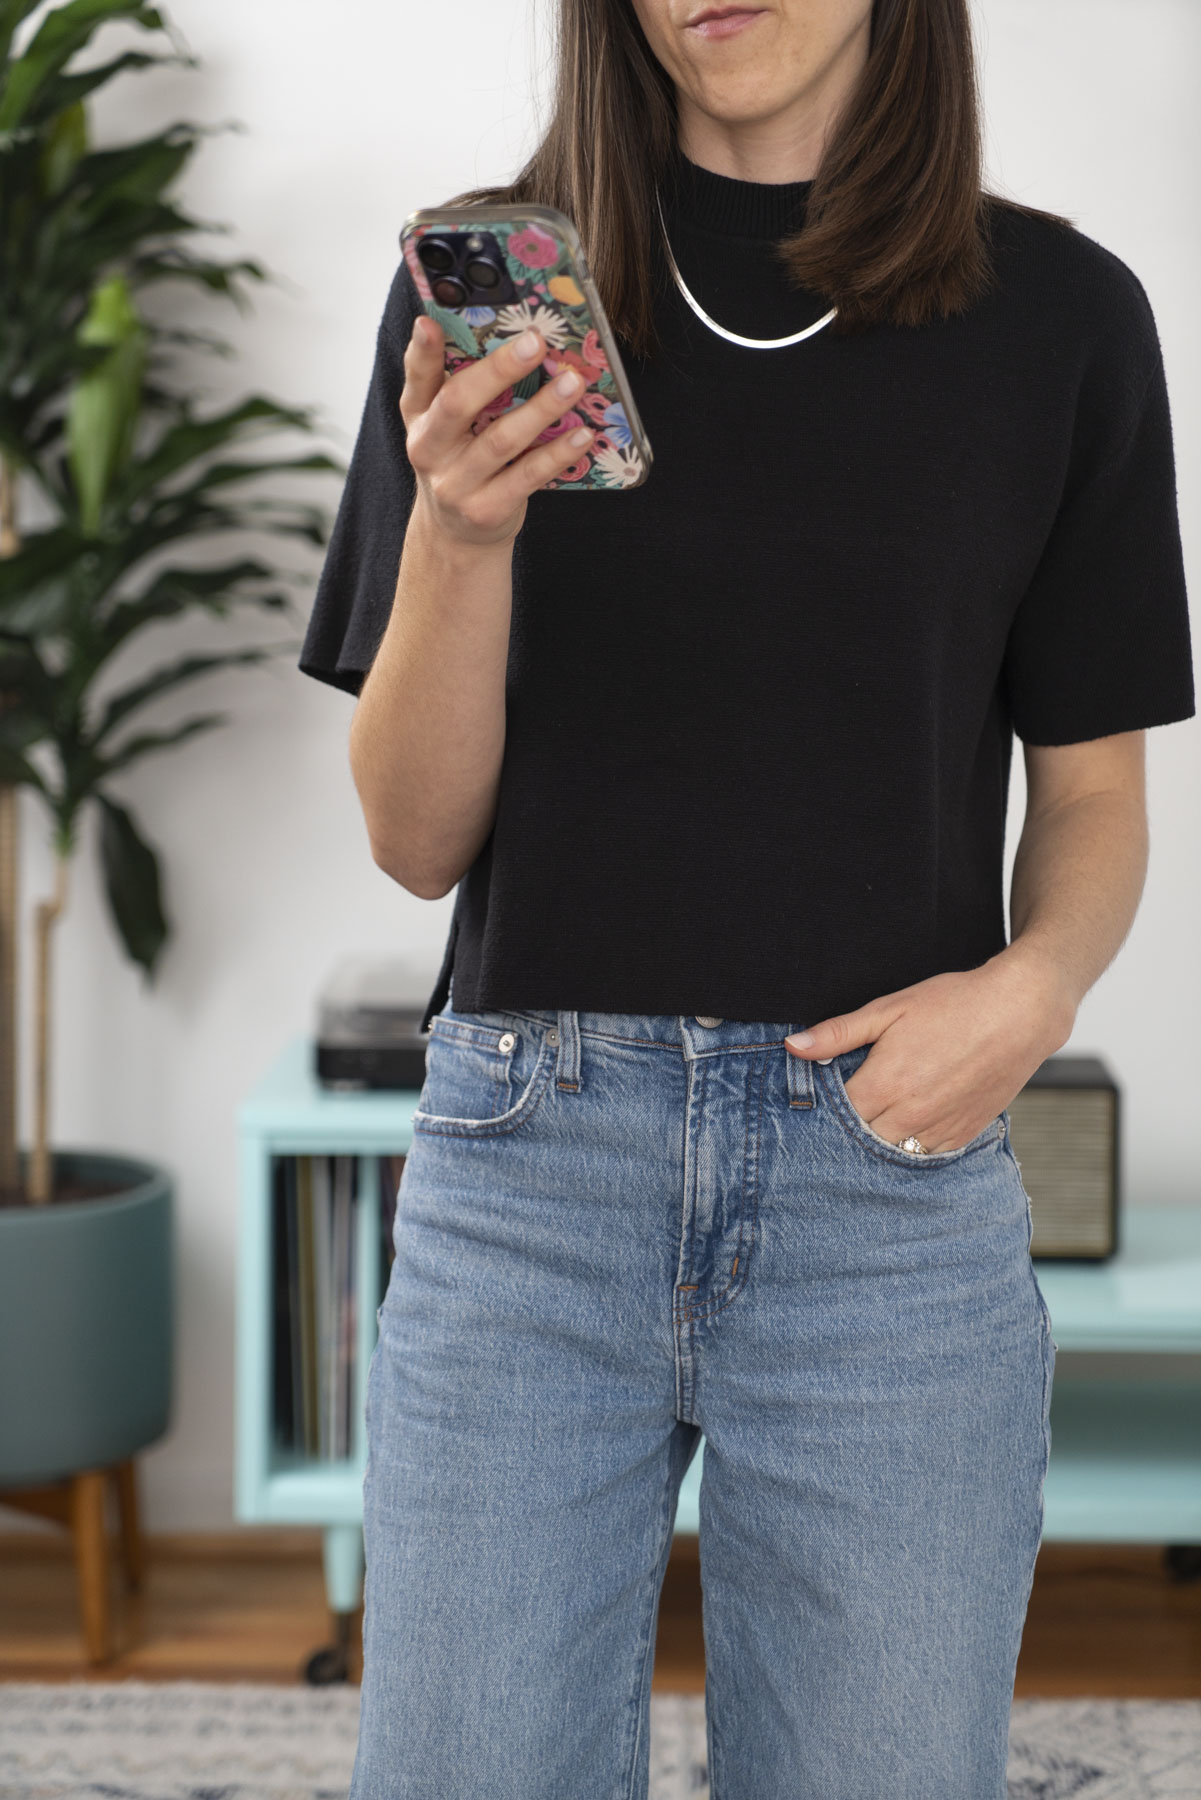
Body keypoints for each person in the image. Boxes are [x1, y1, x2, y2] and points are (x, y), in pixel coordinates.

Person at [298, 1, 1194, 1793]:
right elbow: (411, 840)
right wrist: (465, 537)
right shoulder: (487, 301)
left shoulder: (1065, 320)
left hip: (890, 1182)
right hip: (532, 1175)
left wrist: (1025, 998)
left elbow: (1092, 794)